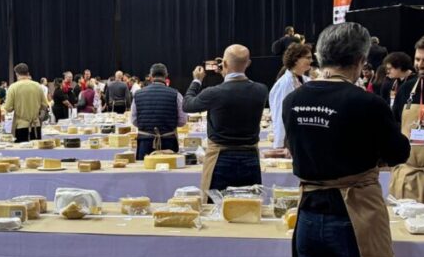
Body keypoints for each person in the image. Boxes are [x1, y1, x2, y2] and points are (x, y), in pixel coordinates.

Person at [284, 22, 409, 257]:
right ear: (360, 59)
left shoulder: (294, 100)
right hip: (354, 215)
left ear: (320, 56)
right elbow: (398, 152)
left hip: (309, 211)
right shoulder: (366, 103)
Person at [184, 44, 268, 195]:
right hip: (250, 157)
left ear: (224, 63)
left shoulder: (214, 93)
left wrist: (197, 80)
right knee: (249, 207)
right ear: (248, 63)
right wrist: (226, 73)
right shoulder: (261, 90)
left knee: (216, 208)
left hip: (220, 158)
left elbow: (187, 104)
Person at [389, 34, 424, 203]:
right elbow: (394, 124)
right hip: (409, 177)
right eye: (417, 59)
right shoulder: (406, 90)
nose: (420, 65)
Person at [131, 63, 187, 158]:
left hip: (145, 142)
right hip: (168, 142)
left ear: (150, 76)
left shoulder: (138, 94)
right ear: (166, 75)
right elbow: (182, 121)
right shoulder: (176, 94)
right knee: (169, 171)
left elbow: (134, 121)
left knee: (144, 171)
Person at [269, 42, 313, 149]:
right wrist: (279, 145)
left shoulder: (305, 80)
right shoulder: (284, 84)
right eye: (308, 58)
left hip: (302, 135)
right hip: (289, 138)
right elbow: (280, 115)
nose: (311, 61)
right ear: (296, 59)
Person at [4, 63, 48, 144]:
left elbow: (8, 108)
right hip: (36, 125)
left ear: (16, 74)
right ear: (28, 72)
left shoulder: (13, 87)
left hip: (21, 126)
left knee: (21, 154)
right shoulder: (37, 86)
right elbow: (45, 105)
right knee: (36, 155)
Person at [381, 52, 414, 120]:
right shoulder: (394, 82)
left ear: (399, 67)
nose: (388, 71)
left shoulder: (416, 82)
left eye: (390, 68)